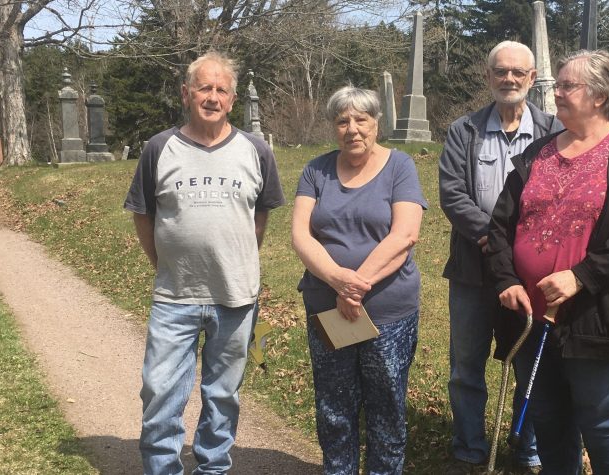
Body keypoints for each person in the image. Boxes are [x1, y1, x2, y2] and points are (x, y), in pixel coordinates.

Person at [486, 49, 609, 474]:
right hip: (531, 315)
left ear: (599, 96)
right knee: (549, 420)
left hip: (600, 316)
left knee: (606, 422)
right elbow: (500, 226)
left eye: (568, 85)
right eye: (558, 85)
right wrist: (506, 280)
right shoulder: (538, 154)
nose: (557, 93)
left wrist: (581, 276)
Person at [124, 51, 285, 474]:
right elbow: (144, 215)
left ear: (232, 99)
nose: (212, 97)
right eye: (204, 87)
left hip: (236, 297)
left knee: (223, 395)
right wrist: (166, 262)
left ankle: (213, 468)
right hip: (174, 296)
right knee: (159, 392)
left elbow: (260, 217)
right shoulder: (160, 148)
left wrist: (237, 260)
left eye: (221, 89)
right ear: (186, 93)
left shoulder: (256, 150)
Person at [438, 40, 562, 473]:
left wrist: (519, 250)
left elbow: (558, 200)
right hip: (473, 270)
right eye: (500, 71)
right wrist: (494, 240)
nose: (508, 79)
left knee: (530, 365)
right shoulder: (463, 131)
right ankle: (469, 449)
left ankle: (526, 449)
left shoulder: (553, 132)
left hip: (530, 274)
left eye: (517, 72)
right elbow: (453, 195)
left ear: (531, 79)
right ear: (488, 76)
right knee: (465, 366)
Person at [292, 86, 427, 475]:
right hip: (327, 308)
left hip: (387, 312)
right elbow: (301, 235)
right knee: (334, 406)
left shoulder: (400, 166)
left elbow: (405, 235)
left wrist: (356, 286)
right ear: (334, 127)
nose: (352, 129)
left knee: (386, 406)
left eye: (361, 119)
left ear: (376, 123)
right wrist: (337, 280)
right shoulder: (315, 170)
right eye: (342, 121)